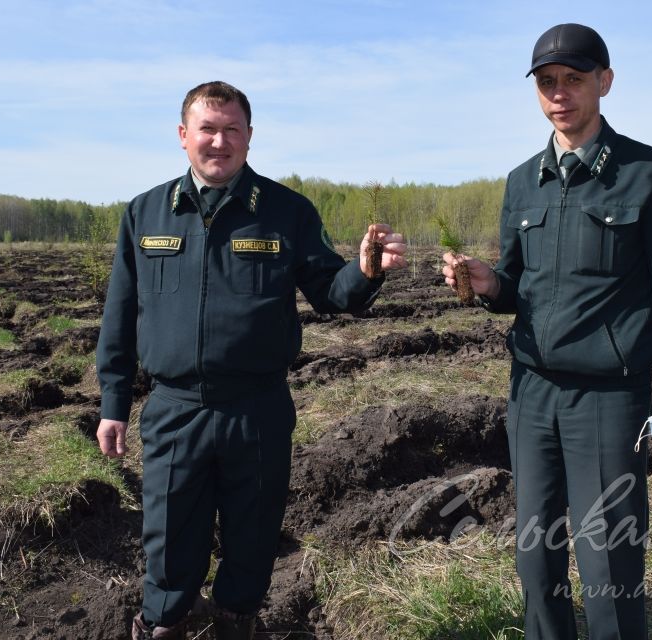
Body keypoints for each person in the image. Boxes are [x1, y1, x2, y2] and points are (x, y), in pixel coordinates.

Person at [95, 81, 407, 640]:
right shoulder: (144, 214)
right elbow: (120, 316)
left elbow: (331, 292)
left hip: (257, 411)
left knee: (252, 540)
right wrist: (114, 404)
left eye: (231, 129)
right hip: (174, 411)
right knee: (168, 545)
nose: (219, 141)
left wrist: (365, 271)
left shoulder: (286, 211)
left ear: (249, 136)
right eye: (207, 129)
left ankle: (236, 625)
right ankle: (163, 625)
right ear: (183, 136)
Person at [442, 24, 652, 640]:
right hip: (531, 393)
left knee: (607, 561)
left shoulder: (650, 174)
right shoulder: (521, 181)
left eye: (574, 79)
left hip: (607, 398)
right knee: (535, 560)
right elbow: (516, 287)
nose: (559, 93)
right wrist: (488, 284)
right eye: (547, 82)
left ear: (605, 83)